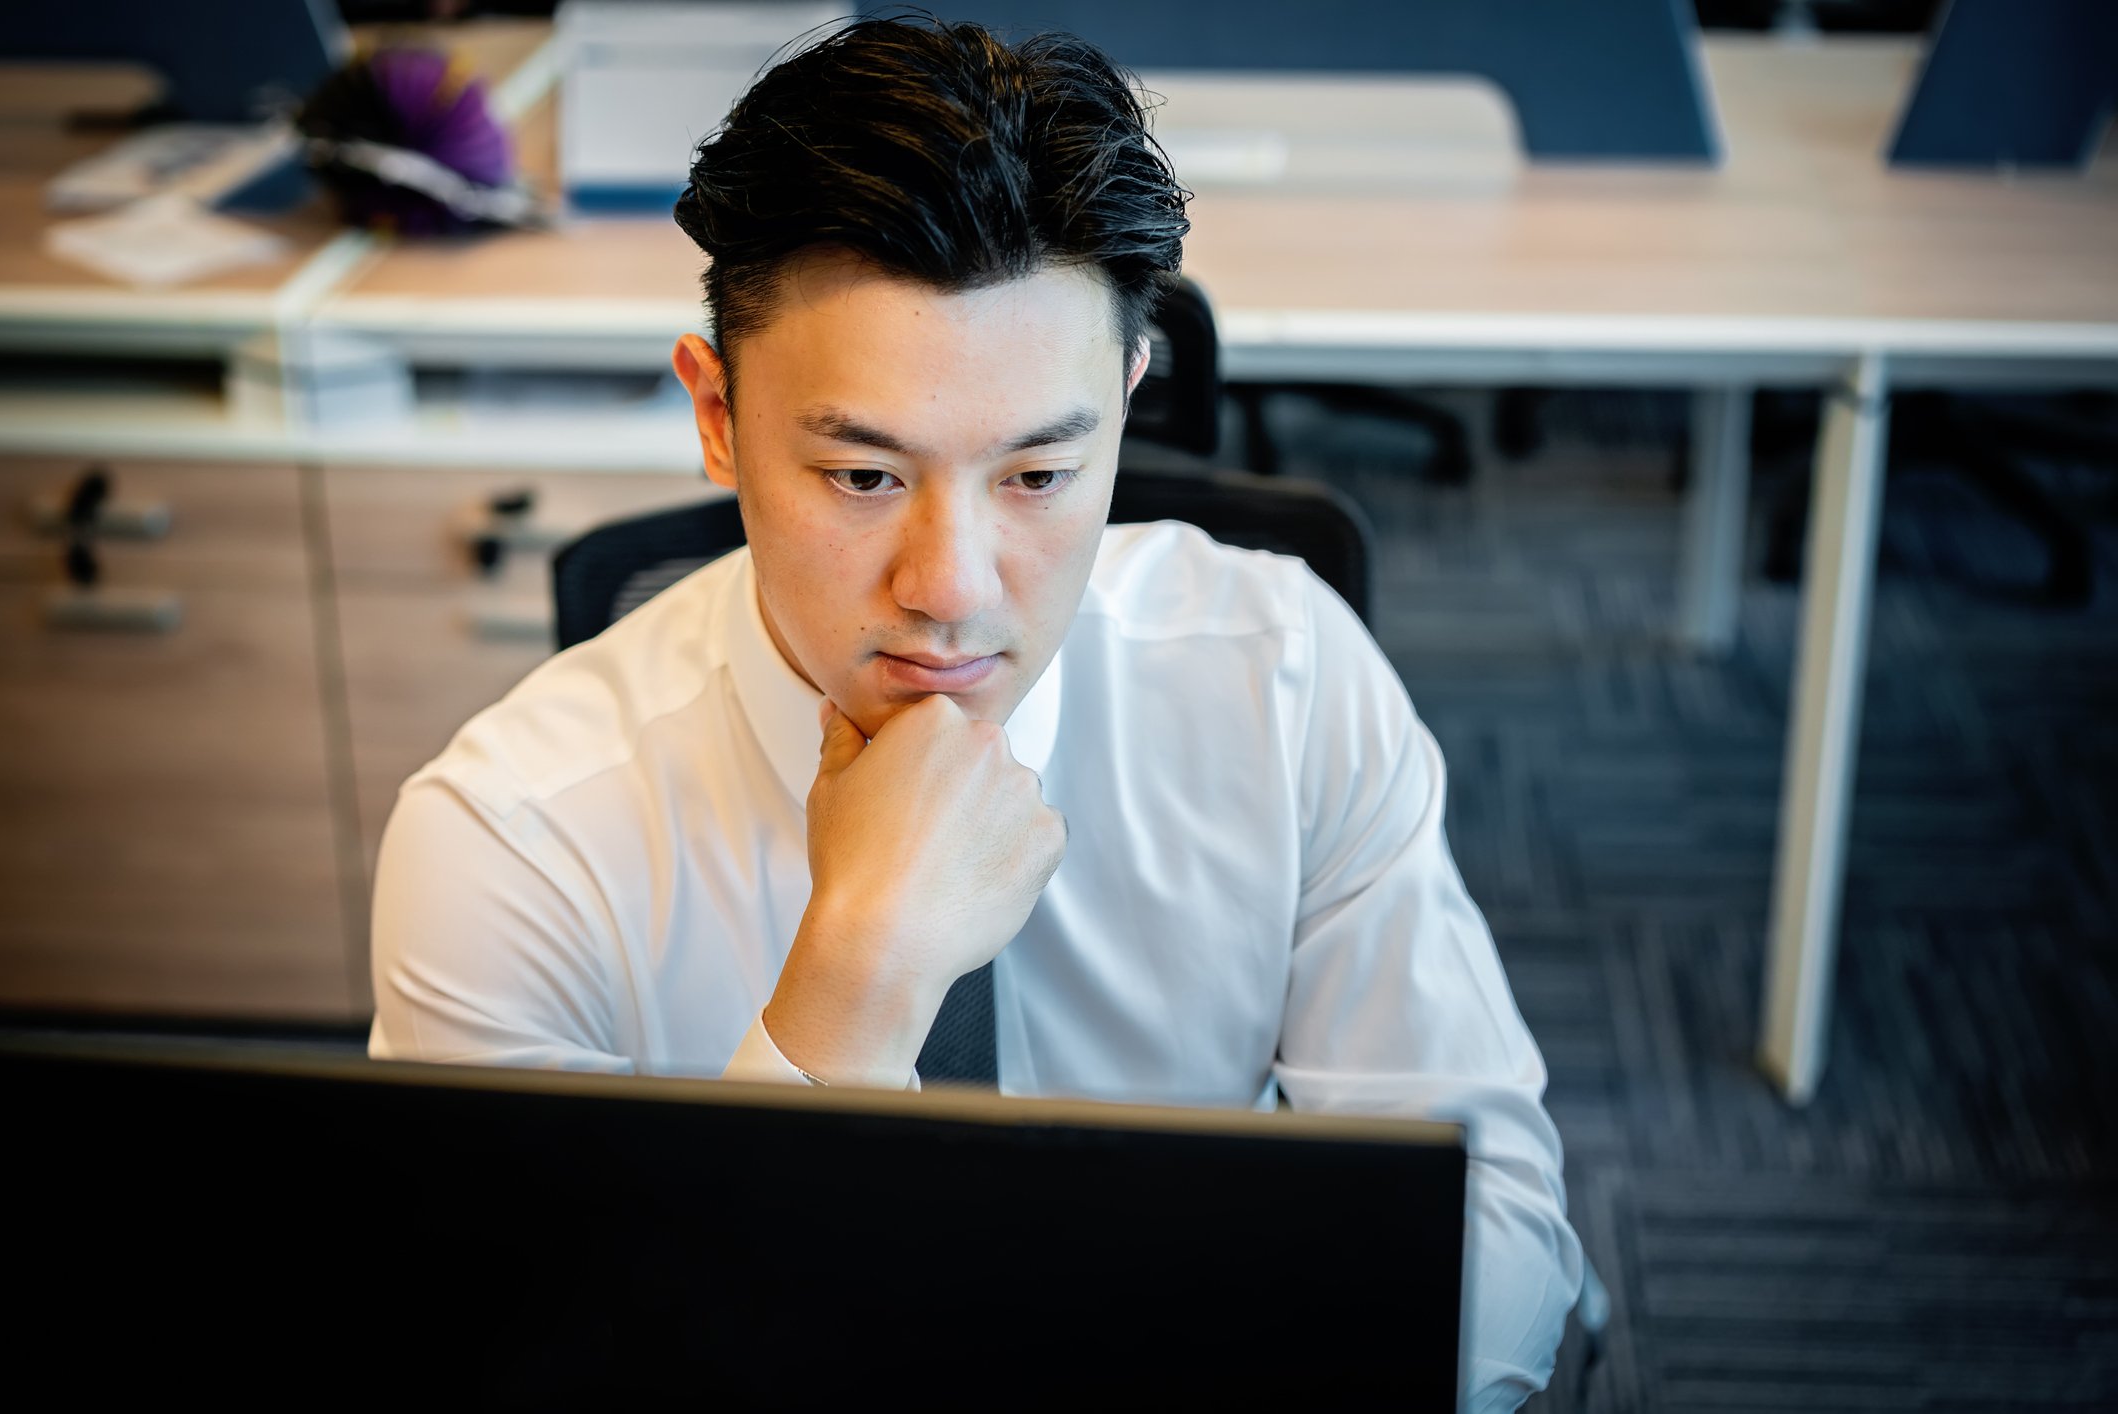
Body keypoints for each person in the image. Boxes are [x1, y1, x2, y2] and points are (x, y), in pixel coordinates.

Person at [368, 15, 1582, 1407]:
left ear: (1128, 406)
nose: (949, 589)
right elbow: (549, 1364)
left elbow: (1493, 1245)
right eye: (865, 477)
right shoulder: (509, 839)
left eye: (1037, 477)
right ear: (716, 414)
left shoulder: (1285, 676)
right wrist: (856, 988)